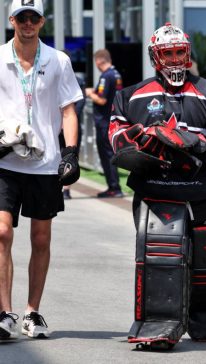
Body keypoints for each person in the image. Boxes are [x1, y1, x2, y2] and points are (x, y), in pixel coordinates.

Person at [108, 23, 206, 345]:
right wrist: (145, 141)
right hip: (157, 194)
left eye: (179, 52)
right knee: (160, 264)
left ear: (188, 52)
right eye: (167, 53)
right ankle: (158, 327)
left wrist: (195, 143)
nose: (175, 59)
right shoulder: (130, 96)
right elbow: (116, 135)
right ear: (156, 57)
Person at [0, 0, 82, 340]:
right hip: (4, 159)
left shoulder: (58, 60)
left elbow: (68, 111)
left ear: (42, 22)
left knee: (41, 238)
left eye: (34, 17)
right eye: (22, 17)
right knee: (2, 233)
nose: (28, 23)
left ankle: (32, 312)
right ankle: (4, 312)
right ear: (12, 20)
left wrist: (72, 153)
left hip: (45, 163)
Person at [85, 49, 124, 198]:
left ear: (99, 61)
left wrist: (89, 93)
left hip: (104, 121)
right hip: (113, 120)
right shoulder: (116, 74)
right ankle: (114, 186)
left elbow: (101, 99)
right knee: (111, 154)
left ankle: (114, 187)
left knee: (107, 155)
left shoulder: (105, 76)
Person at [61, 50, 86, 199]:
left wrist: (70, 118)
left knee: (70, 155)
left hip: (71, 124)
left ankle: (66, 188)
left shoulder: (77, 79)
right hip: (58, 124)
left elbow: (81, 100)